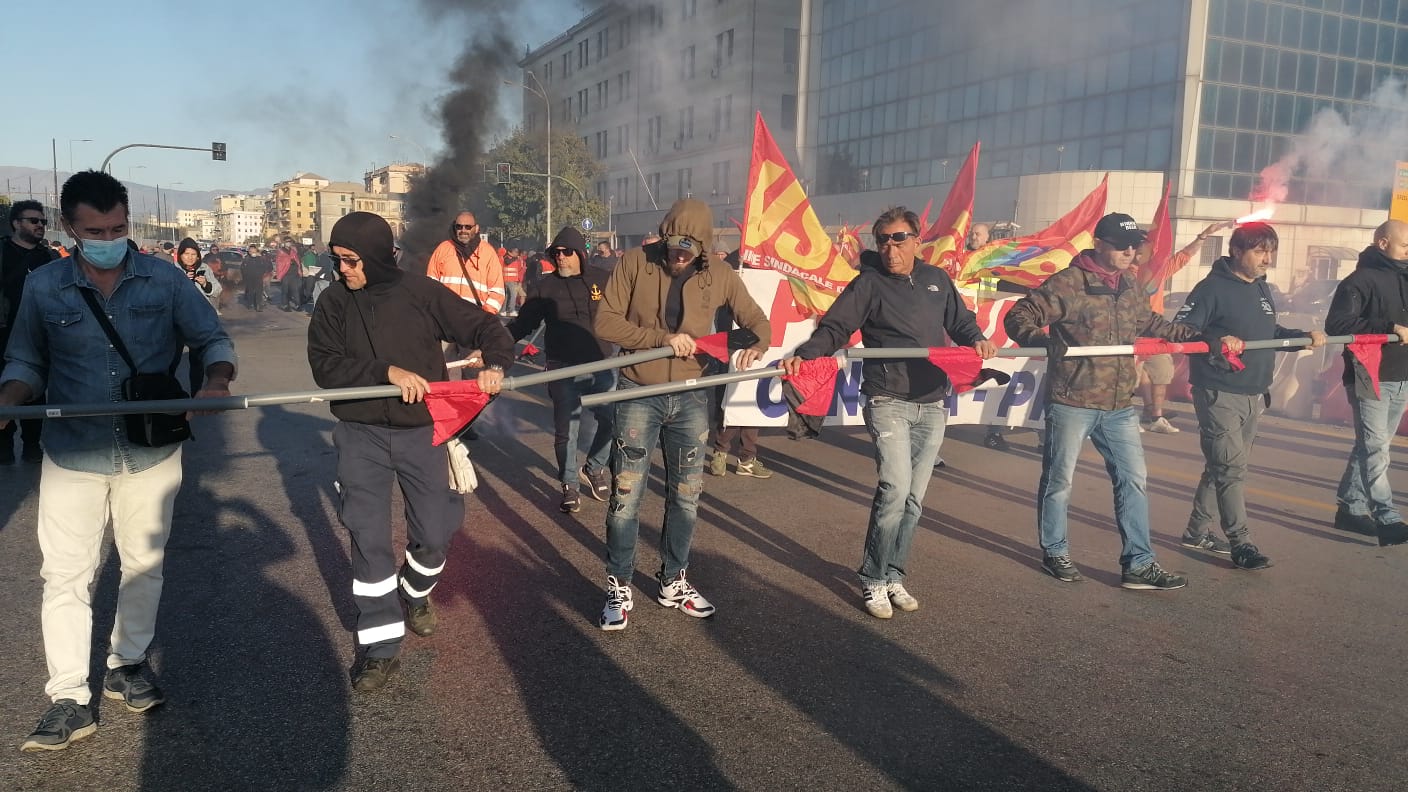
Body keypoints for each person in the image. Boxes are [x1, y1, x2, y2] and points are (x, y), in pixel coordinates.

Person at [1, 170, 236, 752]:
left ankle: (127, 664)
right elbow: (27, 359)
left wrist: (215, 381)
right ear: (68, 228)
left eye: (118, 228)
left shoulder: (164, 278)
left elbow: (212, 339)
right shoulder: (45, 285)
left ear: (128, 222)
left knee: (142, 565)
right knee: (64, 575)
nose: (108, 238)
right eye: (94, 230)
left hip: (151, 450)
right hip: (73, 451)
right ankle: (67, 697)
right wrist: (9, 401)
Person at [308, 211, 514, 692]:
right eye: (337, 260)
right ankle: (380, 647)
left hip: (423, 432)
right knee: (368, 537)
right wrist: (387, 373)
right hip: (360, 434)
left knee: (435, 531)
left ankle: (415, 589)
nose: (343, 270)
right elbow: (325, 367)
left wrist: (496, 364)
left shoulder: (421, 294)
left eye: (352, 261)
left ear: (377, 257)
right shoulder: (334, 302)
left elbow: (489, 329)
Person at [783, 207, 996, 618]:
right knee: (894, 490)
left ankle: (895, 575)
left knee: (914, 501)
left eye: (899, 238)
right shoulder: (869, 283)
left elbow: (962, 322)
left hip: (932, 401)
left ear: (917, 239)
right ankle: (873, 578)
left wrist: (979, 339)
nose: (890, 247)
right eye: (883, 240)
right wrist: (805, 355)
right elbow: (835, 327)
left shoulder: (937, 280)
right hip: (888, 400)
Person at [593, 198, 769, 631]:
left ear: (704, 247)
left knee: (686, 496)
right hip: (638, 391)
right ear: (664, 235)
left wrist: (755, 345)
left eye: (688, 250)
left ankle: (674, 580)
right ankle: (619, 585)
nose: (678, 256)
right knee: (626, 496)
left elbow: (759, 321)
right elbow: (606, 323)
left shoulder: (721, 274)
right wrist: (662, 340)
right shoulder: (635, 262)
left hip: (691, 396)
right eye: (673, 246)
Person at [1005, 212, 1200, 590]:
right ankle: (1056, 551)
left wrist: (1203, 335)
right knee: (1059, 482)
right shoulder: (1069, 282)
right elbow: (1020, 316)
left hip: (1119, 406)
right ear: (1100, 244)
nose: (1131, 251)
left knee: (1134, 481)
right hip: (1073, 401)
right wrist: (1042, 342)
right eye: (1123, 245)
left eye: (1134, 245)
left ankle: (1139, 564)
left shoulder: (1129, 283)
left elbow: (1153, 324)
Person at [1171, 222, 1327, 568]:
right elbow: (1182, 330)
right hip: (1219, 390)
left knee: (1220, 468)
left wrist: (1302, 336)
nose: (1267, 258)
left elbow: (1269, 331)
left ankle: (1196, 532)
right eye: (1259, 250)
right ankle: (1241, 542)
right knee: (1231, 469)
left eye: (1271, 251)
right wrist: (1218, 340)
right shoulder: (1210, 288)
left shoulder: (1261, 288)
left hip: (1254, 393)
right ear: (1236, 251)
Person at [506, 227, 615, 513]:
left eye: (567, 252)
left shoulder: (604, 280)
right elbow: (522, 324)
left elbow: (629, 312)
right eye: (556, 253)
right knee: (567, 430)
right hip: (561, 368)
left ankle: (594, 467)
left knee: (612, 420)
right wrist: (497, 343)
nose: (561, 258)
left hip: (602, 365)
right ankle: (569, 484)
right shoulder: (544, 286)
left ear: (580, 253)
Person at [1325, 219, 1408, 546]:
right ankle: (1387, 518)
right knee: (1375, 449)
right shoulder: (1359, 280)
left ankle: (1350, 507)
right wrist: (1388, 325)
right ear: (1383, 243)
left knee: (1374, 447)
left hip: (1401, 376)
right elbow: (1338, 323)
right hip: (1368, 374)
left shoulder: (1404, 277)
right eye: (1404, 245)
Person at [1, 200, 60, 464]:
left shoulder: (49, 258)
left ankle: (32, 444)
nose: (40, 226)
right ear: (16, 223)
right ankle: (3, 444)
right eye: (34, 221)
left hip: (38, 334)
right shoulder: (2, 253)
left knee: (35, 391)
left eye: (43, 222)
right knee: (6, 388)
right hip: (3, 333)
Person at [708, 248, 772, 479]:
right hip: (729, 346)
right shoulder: (728, 278)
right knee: (730, 402)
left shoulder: (765, 272)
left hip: (755, 347)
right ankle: (721, 452)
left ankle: (746, 458)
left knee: (750, 404)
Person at [425, 212, 506, 315]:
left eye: (468, 227)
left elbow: (497, 291)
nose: (463, 230)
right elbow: (430, 285)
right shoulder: (443, 249)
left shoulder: (488, 253)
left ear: (476, 228)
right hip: (445, 317)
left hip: (475, 320)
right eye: (459, 226)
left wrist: (484, 317)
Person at [173, 238, 223, 395]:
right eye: (186, 253)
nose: (190, 257)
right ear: (180, 255)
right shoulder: (172, 270)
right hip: (177, 321)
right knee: (172, 359)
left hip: (198, 321)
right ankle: (169, 393)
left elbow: (217, 289)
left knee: (197, 360)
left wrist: (205, 284)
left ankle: (196, 392)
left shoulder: (204, 268)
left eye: (193, 254)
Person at [242, 244, 271, 311]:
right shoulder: (246, 259)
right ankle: (250, 304)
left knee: (259, 292)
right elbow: (243, 269)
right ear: (249, 252)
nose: (252, 252)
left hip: (258, 278)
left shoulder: (260, 259)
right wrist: (245, 276)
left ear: (256, 251)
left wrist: (262, 274)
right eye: (251, 251)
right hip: (249, 278)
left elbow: (265, 267)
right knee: (250, 292)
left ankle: (258, 305)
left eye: (253, 251)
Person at [502, 248, 525, 317]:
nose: (517, 253)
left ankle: (503, 310)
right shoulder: (507, 257)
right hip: (509, 279)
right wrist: (516, 258)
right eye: (515, 252)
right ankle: (511, 310)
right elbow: (507, 262)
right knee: (513, 295)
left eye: (517, 252)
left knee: (508, 296)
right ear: (510, 252)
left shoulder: (515, 259)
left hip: (513, 279)